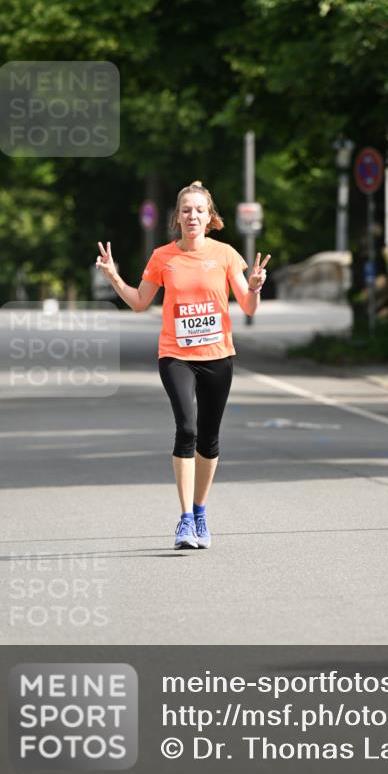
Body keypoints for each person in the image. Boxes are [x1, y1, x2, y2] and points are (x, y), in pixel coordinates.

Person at [95, 181, 270, 550]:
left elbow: (249, 307)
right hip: (176, 355)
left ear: (210, 218)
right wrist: (113, 276)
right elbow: (141, 302)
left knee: (209, 437)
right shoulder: (163, 257)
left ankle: (201, 512)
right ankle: (185, 520)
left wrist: (253, 287)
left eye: (199, 211)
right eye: (186, 210)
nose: (193, 216)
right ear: (177, 218)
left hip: (218, 356)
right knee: (186, 428)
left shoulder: (225, 255)